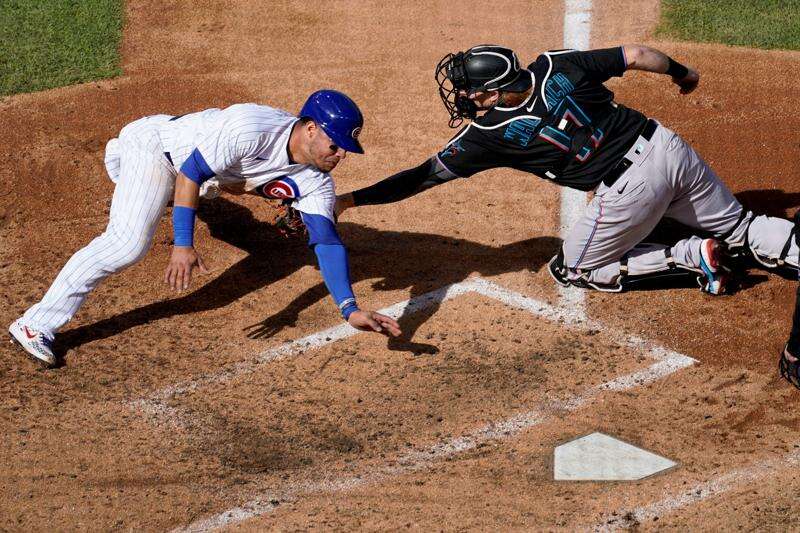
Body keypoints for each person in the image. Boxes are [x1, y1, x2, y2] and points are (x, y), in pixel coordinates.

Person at [335, 44, 798, 296]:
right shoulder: (556, 64)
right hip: (667, 146)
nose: (463, 96)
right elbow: (635, 56)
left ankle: (688, 257)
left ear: (491, 94)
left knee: (574, 269)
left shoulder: (486, 136)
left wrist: (351, 199)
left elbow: (420, 177)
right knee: (743, 225)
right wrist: (681, 73)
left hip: (628, 189)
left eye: (469, 91)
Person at [9, 90, 401, 368]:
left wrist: (349, 309)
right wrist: (183, 243)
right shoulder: (252, 126)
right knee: (128, 243)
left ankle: (155, 192)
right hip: (157, 149)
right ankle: (34, 324)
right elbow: (190, 172)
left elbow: (328, 243)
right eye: (336, 146)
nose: (341, 155)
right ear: (311, 128)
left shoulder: (316, 180)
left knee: (209, 188)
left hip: (204, 176)